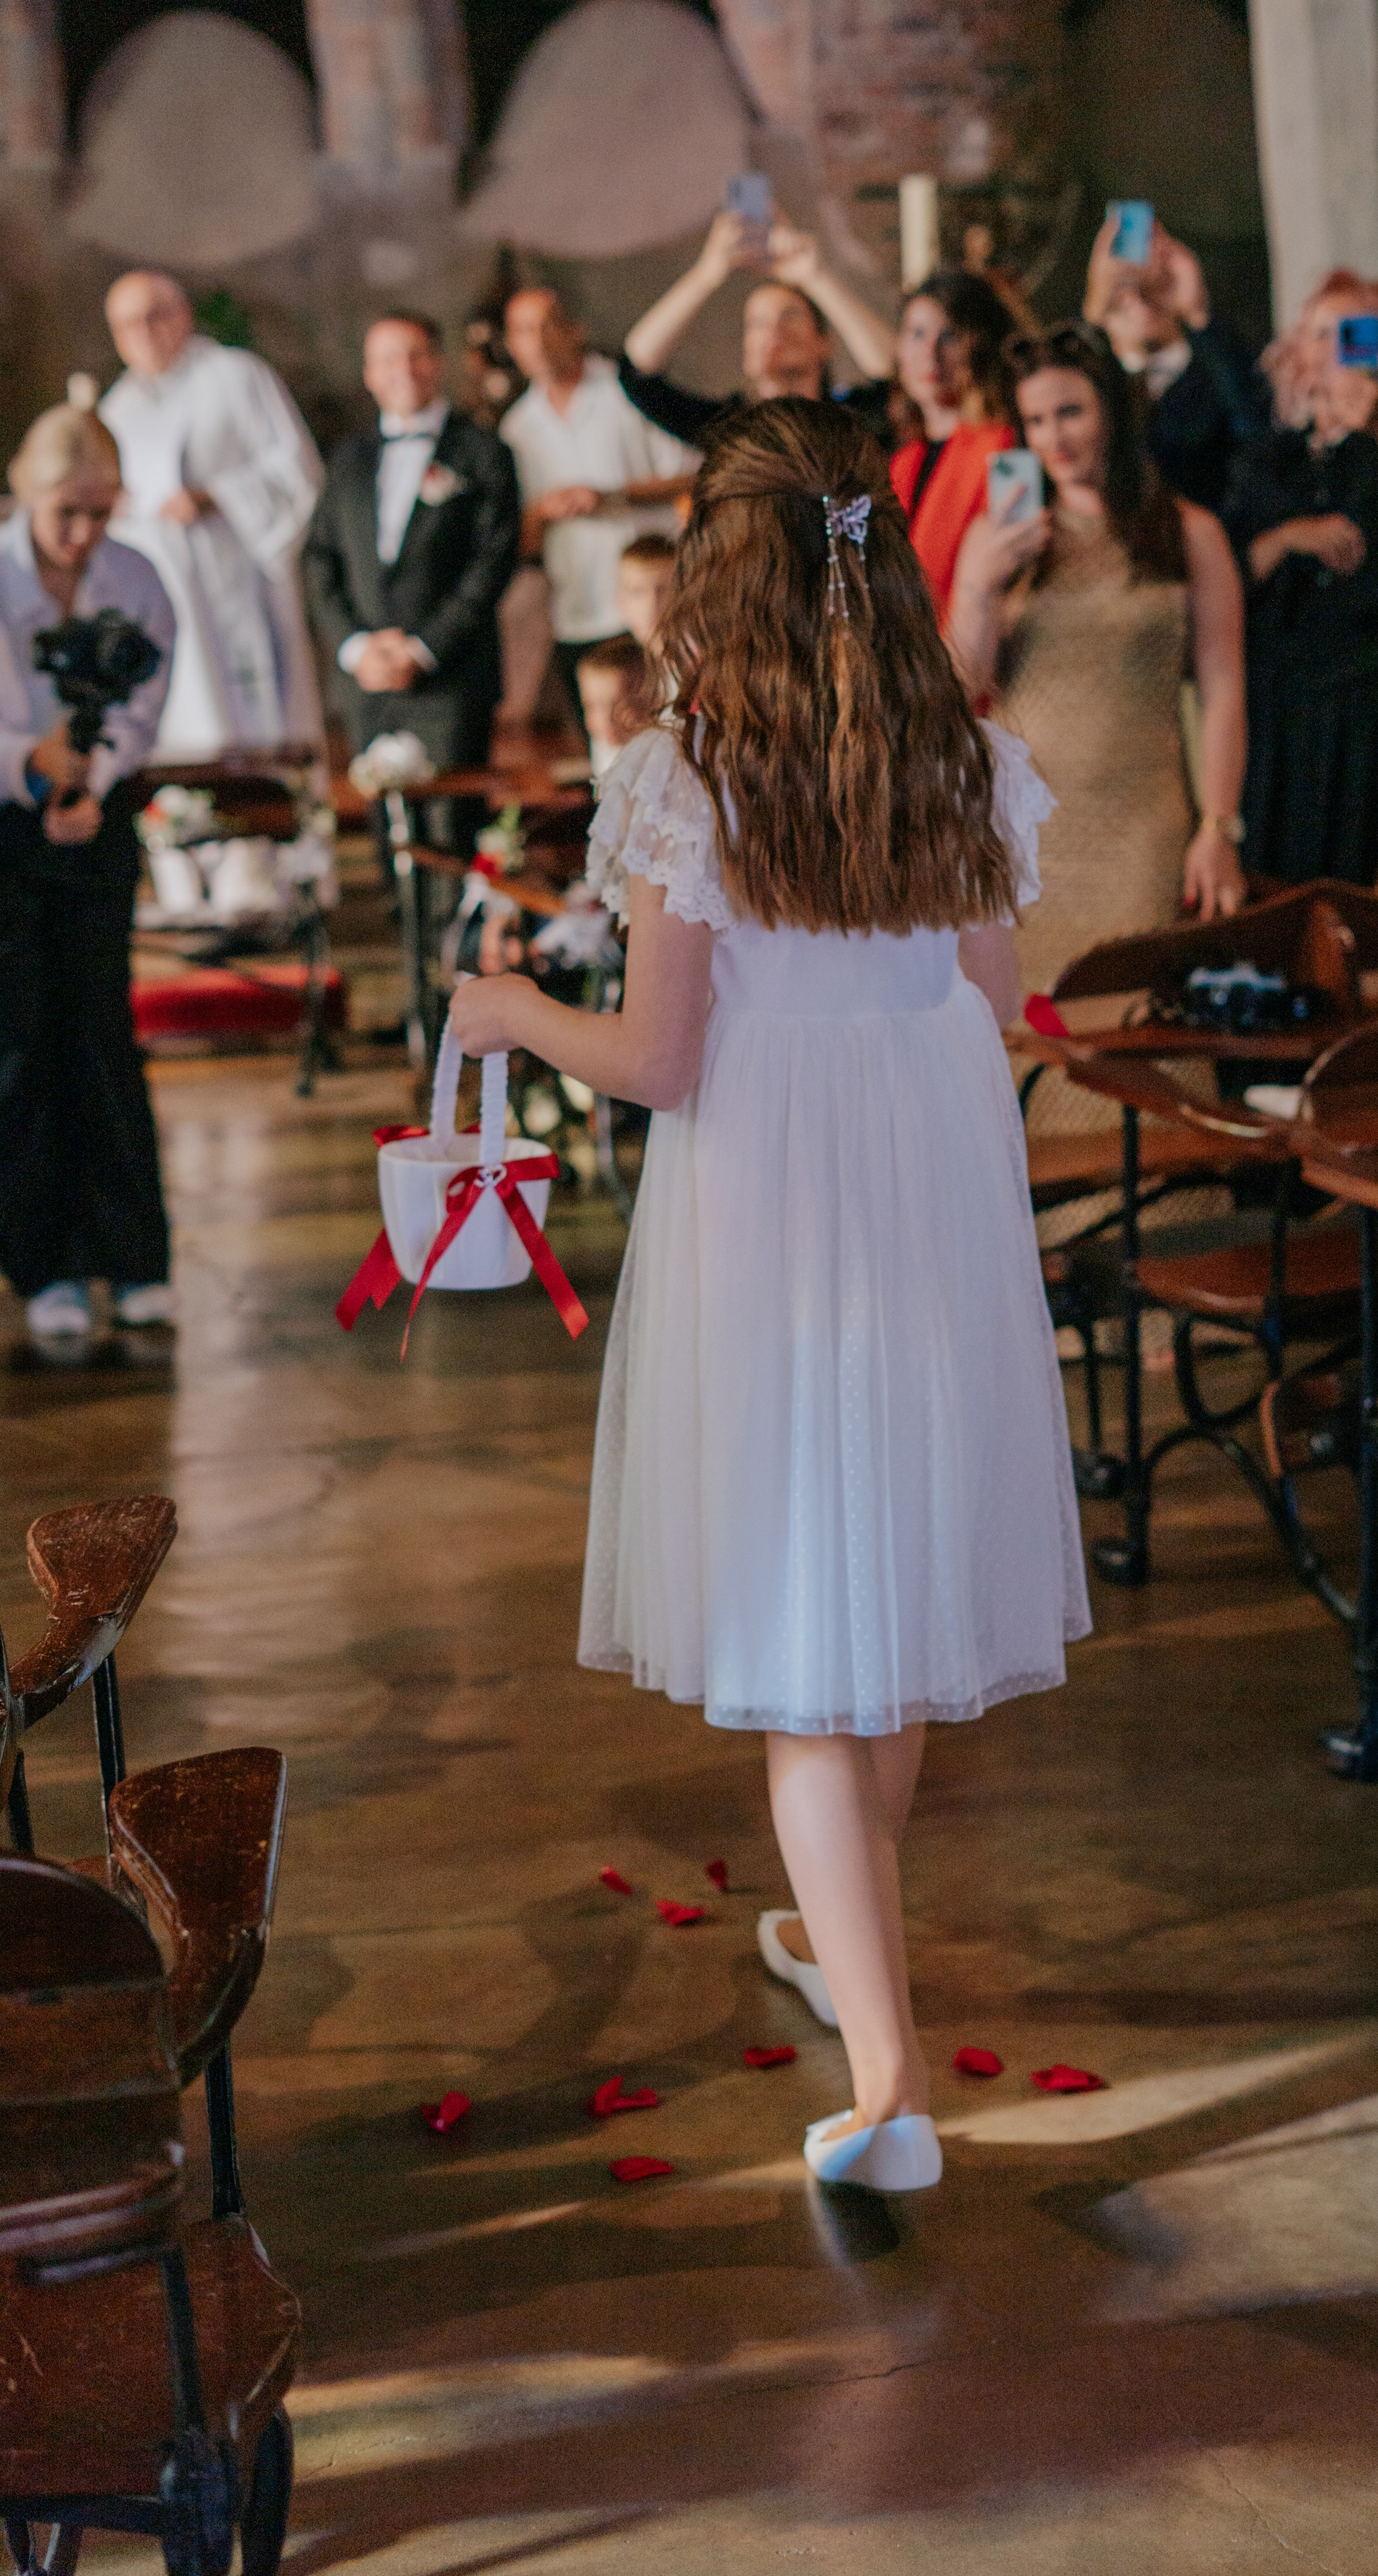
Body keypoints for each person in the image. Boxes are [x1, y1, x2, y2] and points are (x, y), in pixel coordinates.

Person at [452, 397, 1087, 2193]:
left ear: (710, 573)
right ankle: (833, 1937)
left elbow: (656, 1056)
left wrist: (506, 1013)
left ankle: (890, 2087)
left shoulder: (692, 771)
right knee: (875, 1581)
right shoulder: (962, 759)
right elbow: (990, 1001)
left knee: (809, 1650)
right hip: (932, 1186)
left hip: (778, 1204)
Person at [0, 407, 175, 1346]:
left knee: (97, 1030)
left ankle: (133, 1256)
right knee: (6, 1042)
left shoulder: (133, 578)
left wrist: (89, 773)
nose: (86, 532)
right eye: (69, 511)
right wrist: (26, 760)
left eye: (102, 511)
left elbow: (142, 699)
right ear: (27, 492)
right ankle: (47, 1266)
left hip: (88, 815)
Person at [947, 320, 1248, 997]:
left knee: (1131, 1019)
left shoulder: (1189, 532)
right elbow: (962, 686)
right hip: (1024, 832)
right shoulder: (996, 537)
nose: (1054, 437)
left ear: (1110, 409)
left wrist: (1219, 825)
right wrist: (977, 585)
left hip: (1142, 825)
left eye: (1071, 412)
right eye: (1036, 421)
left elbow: (1224, 688)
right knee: (1029, 1027)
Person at [1224, 268, 1378, 886]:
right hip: (1284, 705)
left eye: (1353, 331)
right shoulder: (1268, 457)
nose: (1334, 348)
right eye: (1320, 332)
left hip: (1377, 702)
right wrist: (1288, 537)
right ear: (1298, 346)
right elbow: (1231, 569)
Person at [302, 312, 523, 821]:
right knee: (386, 827)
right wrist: (356, 647)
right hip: (368, 681)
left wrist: (423, 648)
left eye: (415, 354)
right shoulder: (347, 460)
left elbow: (493, 560)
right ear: (369, 374)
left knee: (453, 824)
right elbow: (319, 559)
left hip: (451, 678)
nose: (403, 368)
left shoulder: (483, 452)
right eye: (387, 358)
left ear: (437, 363)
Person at [100, 270, 323, 758]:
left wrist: (214, 496)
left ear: (183, 316)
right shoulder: (117, 409)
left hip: (237, 583)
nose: (142, 333)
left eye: (153, 317)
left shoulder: (235, 375)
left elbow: (296, 470)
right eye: (126, 325)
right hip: (166, 595)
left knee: (256, 714)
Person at [499, 288, 692, 722]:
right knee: (605, 742)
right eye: (524, 331)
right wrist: (544, 512)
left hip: (655, 607)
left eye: (549, 325)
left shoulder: (627, 393)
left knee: (672, 731)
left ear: (574, 330)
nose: (539, 340)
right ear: (512, 346)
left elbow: (694, 475)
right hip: (577, 612)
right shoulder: (517, 427)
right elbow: (521, 533)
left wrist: (611, 496)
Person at [617, 204, 897, 452]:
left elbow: (894, 372)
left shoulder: (851, 421)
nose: (774, 332)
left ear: (823, 342)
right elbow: (637, 371)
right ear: (746, 353)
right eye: (758, 324)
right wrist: (706, 274)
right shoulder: (732, 430)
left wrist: (816, 278)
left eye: (790, 316)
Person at [1082, 216, 1269, 515]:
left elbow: (1258, 438)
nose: (1137, 298)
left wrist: (1198, 315)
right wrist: (1101, 302)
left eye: (1149, 288)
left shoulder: (1219, 366)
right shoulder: (1096, 382)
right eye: (1121, 295)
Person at [889, 268, 1018, 622]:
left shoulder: (1007, 451)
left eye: (949, 336)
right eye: (917, 334)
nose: (930, 353)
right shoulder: (902, 461)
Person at [576, 631, 655, 782]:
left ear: (652, 700)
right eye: (591, 706)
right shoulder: (604, 742)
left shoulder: (661, 759)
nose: (606, 719)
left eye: (621, 705)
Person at [615, 532, 677, 645]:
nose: (652, 604)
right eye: (637, 592)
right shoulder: (605, 660)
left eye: (663, 589)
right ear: (621, 602)